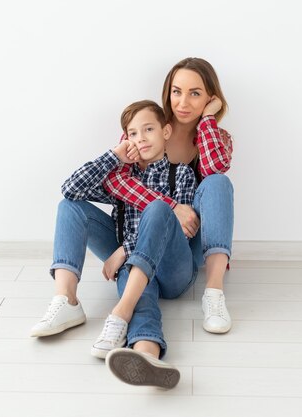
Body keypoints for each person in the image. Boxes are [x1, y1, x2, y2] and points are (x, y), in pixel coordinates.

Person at [31, 100, 196, 389]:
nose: (140, 138)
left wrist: (124, 250)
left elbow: (185, 230)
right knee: (70, 207)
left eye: (148, 129)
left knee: (159, 210)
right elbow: (71, 189)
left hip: (173, 270)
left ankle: (120, 312)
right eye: (132, 133)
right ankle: (147, 356)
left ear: (166, 131)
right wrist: (114, 156)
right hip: (134, 270)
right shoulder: (122, 177)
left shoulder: (180, 173)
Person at [104, 57, 234, 334]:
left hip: (184, 247)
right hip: (139, 233)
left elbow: (214, 168)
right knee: (71, 206)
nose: (183, 103)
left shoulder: (217, 136)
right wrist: (171, 206)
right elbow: (116, 180)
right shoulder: (147, 127)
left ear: (211, 98)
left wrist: (207, 121)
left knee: (218, 183)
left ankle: (214, 294)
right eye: (177, 92)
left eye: (195, 93)